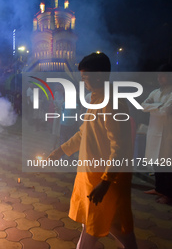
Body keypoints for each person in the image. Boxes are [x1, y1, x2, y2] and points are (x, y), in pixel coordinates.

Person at [47, 53, 137, 249]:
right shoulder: (96, 99)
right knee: (113, 226)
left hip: (106, 180)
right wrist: (60, 151)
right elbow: (83, 133)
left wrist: (106, 182)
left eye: (85, 77)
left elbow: (119, 147)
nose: (83, 81)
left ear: (98, 76)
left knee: (102, 225)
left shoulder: (112, 102)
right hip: (92, 177)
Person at [142, 64, 172, 204]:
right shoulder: (155, 92)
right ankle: (159, 188)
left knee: (166, 165)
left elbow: (165, 111)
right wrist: (157, 106)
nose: (159, 78)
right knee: (156, 163)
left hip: (167, 134)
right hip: (154, 132)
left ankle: (168, 194)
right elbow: (143, 105)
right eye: (158, 76)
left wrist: (153, 107)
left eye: (163, 75)